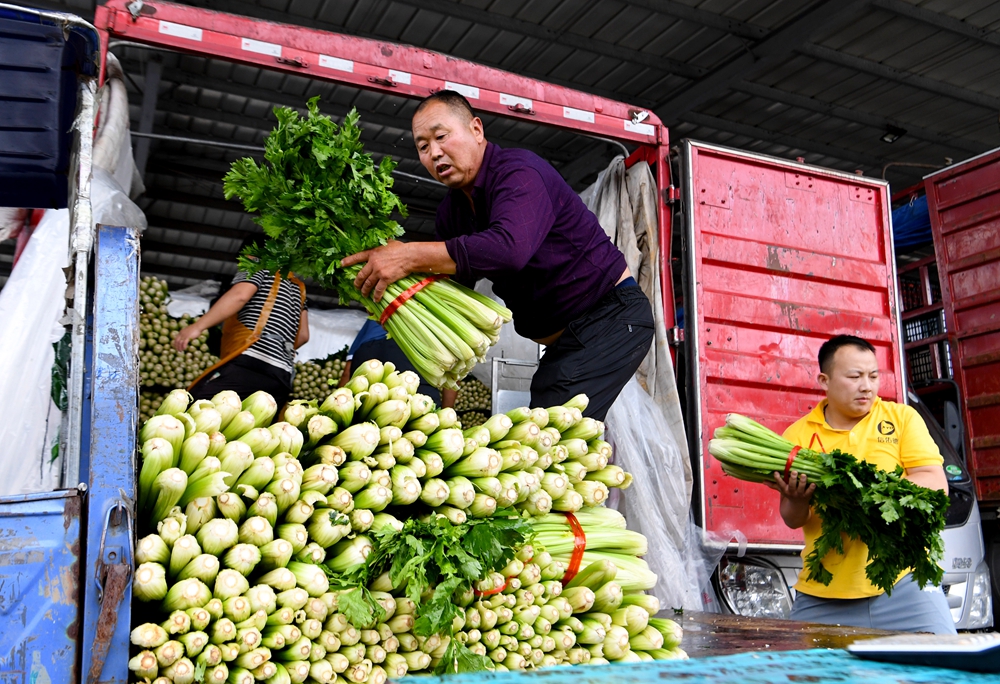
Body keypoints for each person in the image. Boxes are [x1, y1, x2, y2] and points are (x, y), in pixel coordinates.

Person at [342, 91, 653, 420]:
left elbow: (508, 250)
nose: (434, 153)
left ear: (476, 129)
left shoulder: (519, 173)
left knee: (549, 432)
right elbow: (451, 285)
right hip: (569, 339)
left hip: (611, 317)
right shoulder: (452, 213)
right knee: (549, 430)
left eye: (441, 137)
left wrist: (408, 255)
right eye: (422, 146)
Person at [769, 334, 955, 634]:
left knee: (948, 673)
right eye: (854, 376)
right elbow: (792, 519)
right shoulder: (797, 437)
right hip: (823, 591)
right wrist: (797, 499)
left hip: (904, 583)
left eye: (873, 376)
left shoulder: (901, 418)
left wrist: (868, 493)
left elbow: (935, 485)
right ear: (824, 380)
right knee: (805, 677)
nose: (866, 386)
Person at [173, 242, 309, 407]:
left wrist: (197, 326)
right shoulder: (299, 288)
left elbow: (240, 295)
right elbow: (303, 336)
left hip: (252, 363)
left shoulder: (257, 264)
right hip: (282, 376)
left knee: (192, 407)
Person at [339, 318, 456, 407]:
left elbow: (347, 372)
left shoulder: (372, 320)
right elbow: (452, 376)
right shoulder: (429, 320)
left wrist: (338, 403)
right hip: (410, 350)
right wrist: (447, 416)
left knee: (361, 408)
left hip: (368, 353)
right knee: (421, 410)